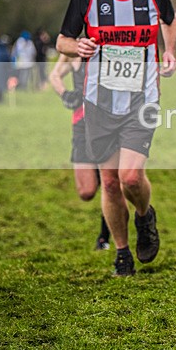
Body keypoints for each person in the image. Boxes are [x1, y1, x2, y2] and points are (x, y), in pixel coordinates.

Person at [56, 0, 176, 276]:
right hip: (98, 101)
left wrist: (169, 50)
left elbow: (171, 20)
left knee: (130, 177)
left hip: (143, 97)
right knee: (109, 181)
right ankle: (122, 252)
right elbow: (63, 40)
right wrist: (75, 45)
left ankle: (145, 216)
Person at [49, 53, 111, 250]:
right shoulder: (75, 48)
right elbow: (55, 74)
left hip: (111, 122)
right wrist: (65, 94)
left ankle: (105, 236)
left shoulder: (113, 43)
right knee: (86, 191)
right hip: (81, 123)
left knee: (110, 184)